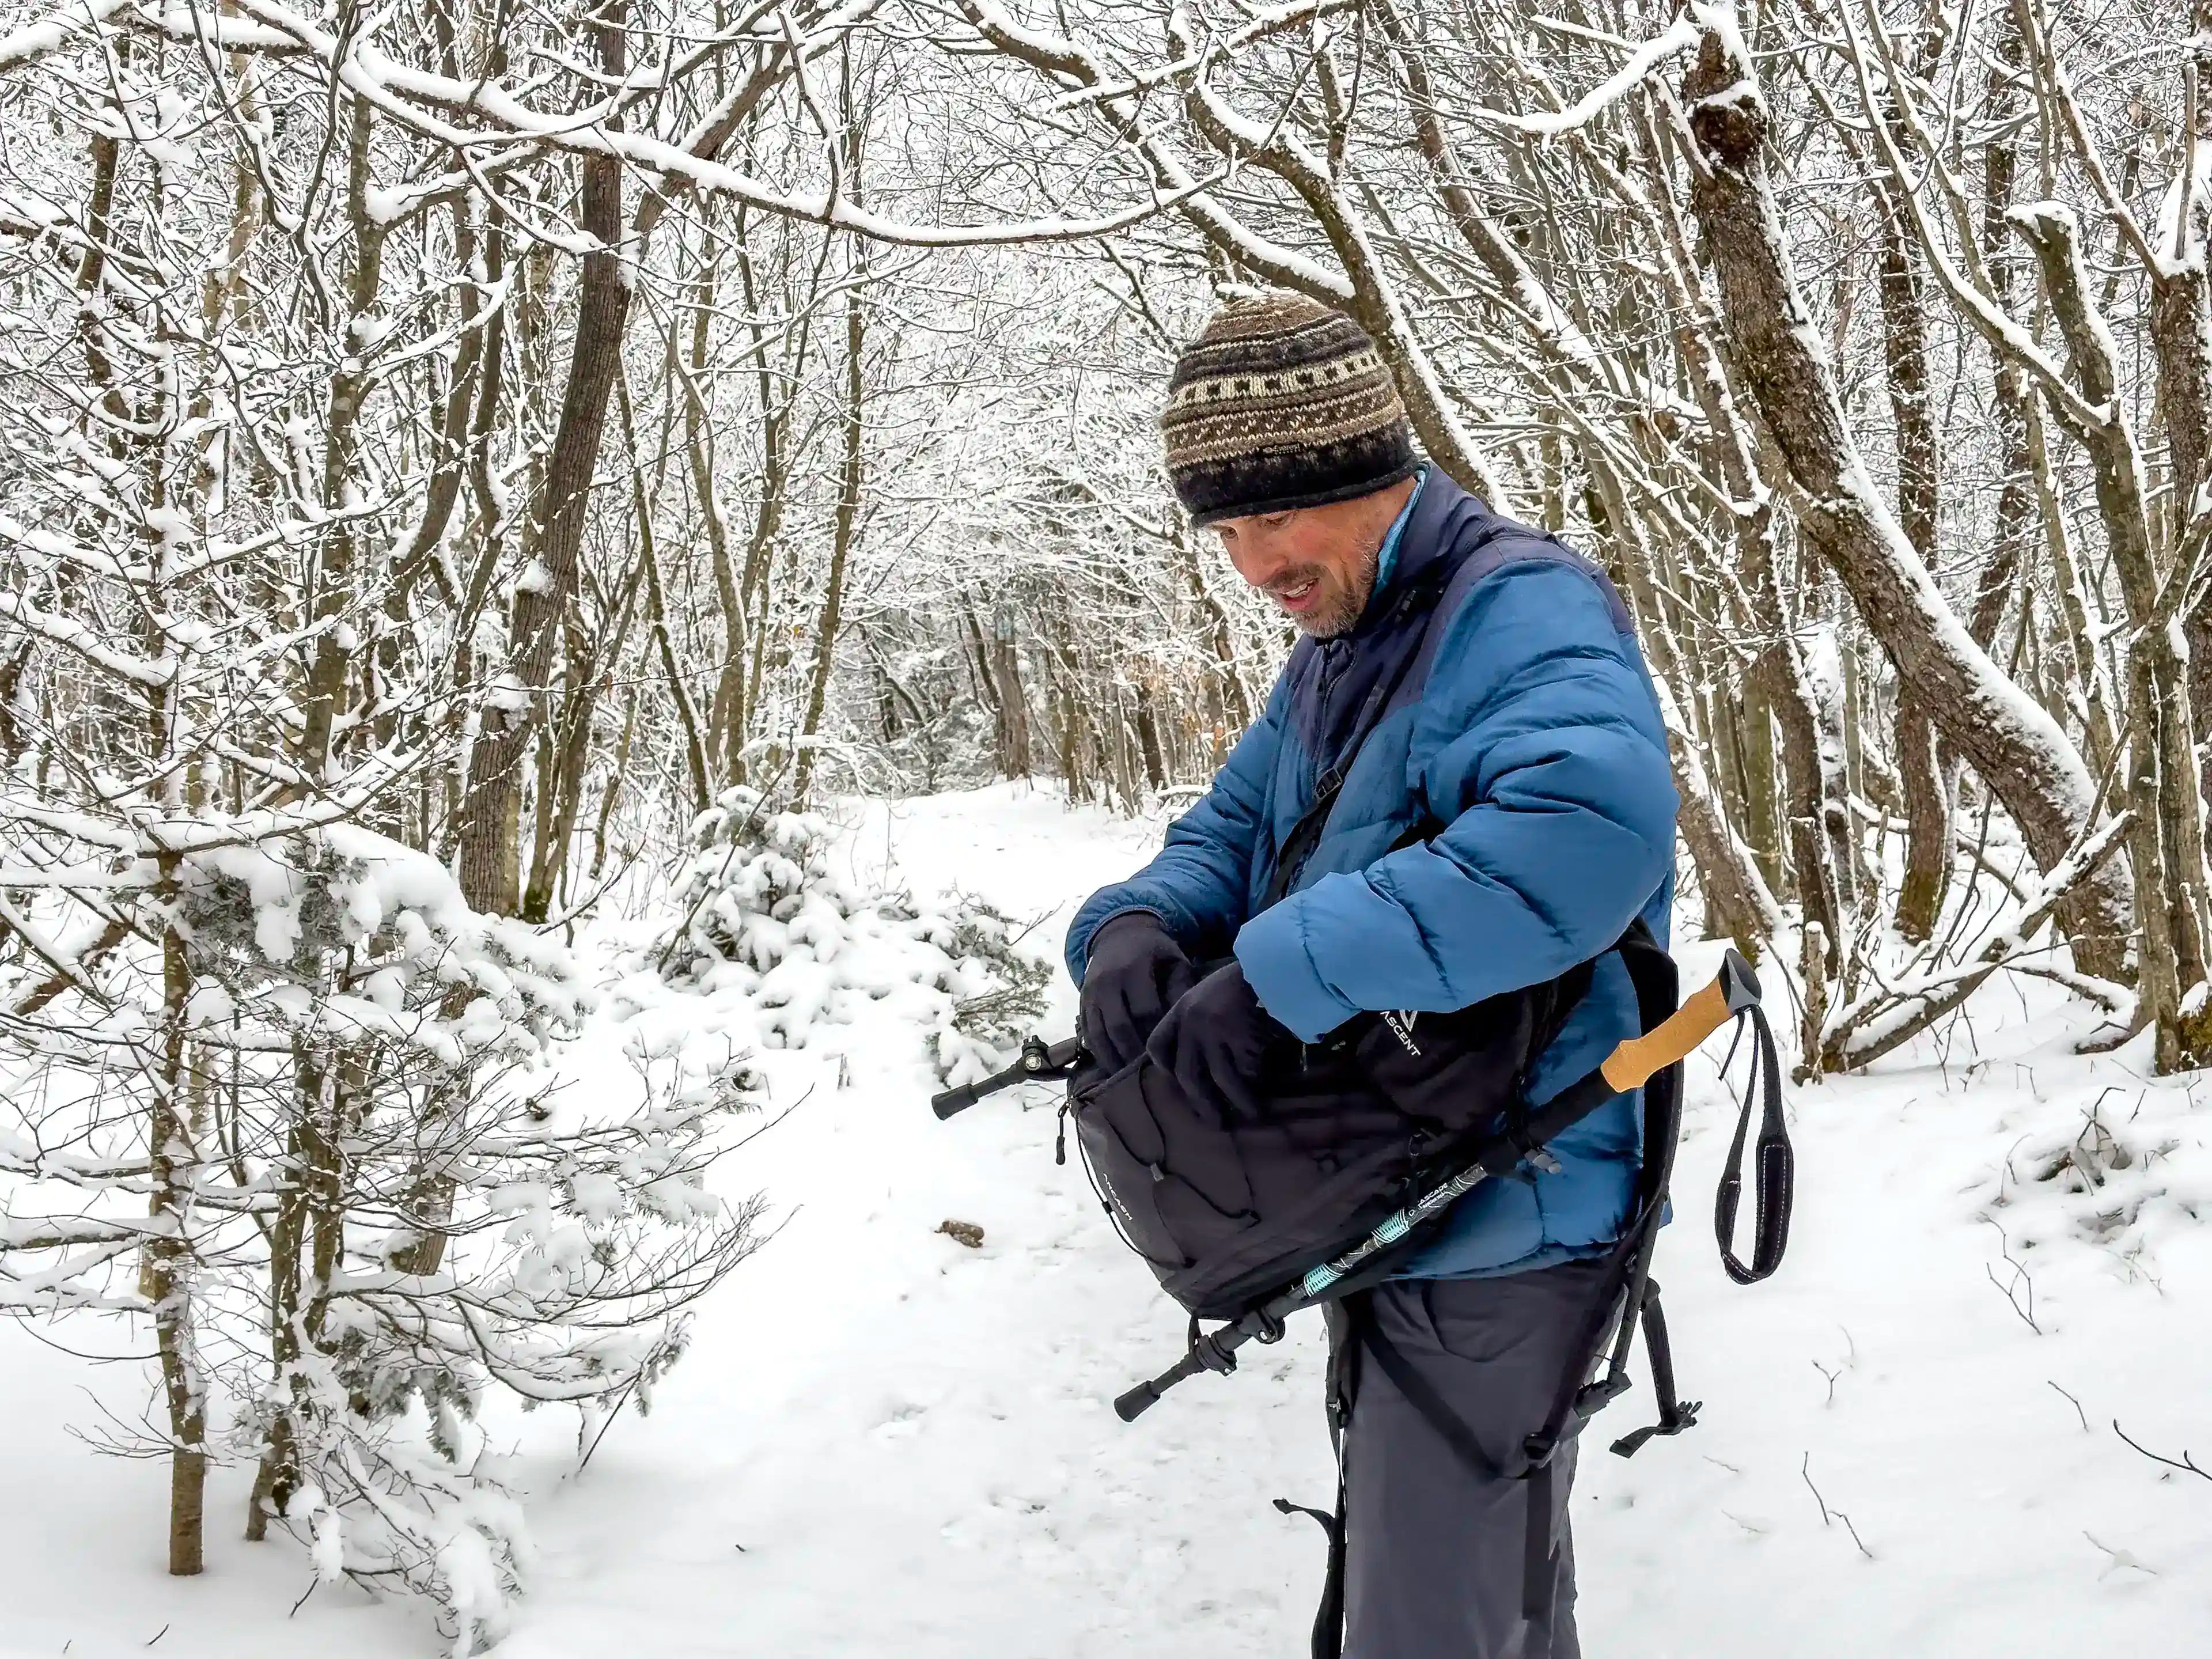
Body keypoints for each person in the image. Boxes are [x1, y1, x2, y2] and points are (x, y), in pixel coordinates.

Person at [1064, 291, 1678, 1658]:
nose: (1251, 563)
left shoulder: (1512, 610)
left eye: (1271, 519)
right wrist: (1136, 929)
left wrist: (1280, 969)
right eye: (1224, 531)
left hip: (1517, 1204)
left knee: (1431, 1619)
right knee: (1476, 1595)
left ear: (1357, 471)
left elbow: (1588, 837)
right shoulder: (1350, 644)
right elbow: (1231, 829)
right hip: (1416, 1187)